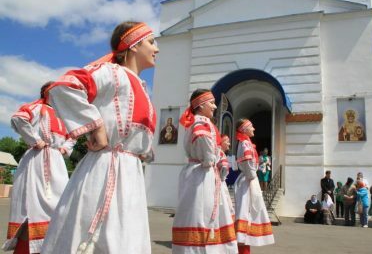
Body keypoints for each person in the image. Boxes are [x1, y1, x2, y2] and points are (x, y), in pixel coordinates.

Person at [41, 21, 158, 253]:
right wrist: (96, 127)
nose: (157, 48)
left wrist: (142, 151)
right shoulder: (112, 73)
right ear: (133, 45)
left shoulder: (142, 87)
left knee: (126, 239)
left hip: (130, 175)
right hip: (106, 169)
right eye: (151, 42)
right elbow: (63, 87)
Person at [2, 82, 73, 254]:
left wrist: (64, 148)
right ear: (48, 93)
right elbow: (18, 118)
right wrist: (34, 140)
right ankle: (26, 249)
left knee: (60, 205)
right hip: (37, 159)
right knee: (32, 207)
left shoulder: (63, 115)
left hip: (56, 163)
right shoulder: (38, 107)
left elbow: (74, 135)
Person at [172, 89, 237, 253]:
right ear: (200, 105)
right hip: (202, 175)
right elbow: (208, 155)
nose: (215, 107)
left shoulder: (196, 122)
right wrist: (214, 160)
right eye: (212, 103)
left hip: (198, 173)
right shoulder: (201, 123)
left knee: (197, 213)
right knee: (202, 215)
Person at [235, 118, 274, 254]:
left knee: (249, 213)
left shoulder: (245, 143)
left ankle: (244, 247)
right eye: (251, 127)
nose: (254, 129)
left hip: (249, 180)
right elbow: (248, 166)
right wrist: (252, 177)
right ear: (244, 129)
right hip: (247, 181)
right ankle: (242, 248)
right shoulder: (245, 144)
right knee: (246, 212)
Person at [218, 134, 235, 218]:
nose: (229, 144)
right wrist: (222, 177)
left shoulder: (219, 153)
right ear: (221, 142)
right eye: (227, 142)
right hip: (219, 183)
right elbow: (224, 169)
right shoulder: (221, 154)